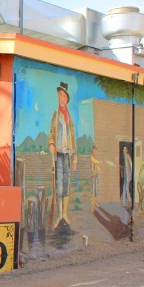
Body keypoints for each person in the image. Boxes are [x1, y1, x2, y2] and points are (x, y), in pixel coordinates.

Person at [48, 81, 77, 233]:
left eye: (63, 95)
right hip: (59, 154)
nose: (61, 97)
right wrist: (51, 143)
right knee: (59, 184)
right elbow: (51, 133)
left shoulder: (69, 118)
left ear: (67, 98)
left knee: (66, 184)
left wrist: (75, 158)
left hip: (68, 154)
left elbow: (73, 138)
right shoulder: (56, 115)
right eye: (59, 94)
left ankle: (65, 213)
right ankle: (59, 215)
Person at [90, 145, 102, 212]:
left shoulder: (95, 157)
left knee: (96, 190)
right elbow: (94, 161)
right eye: (94, 150)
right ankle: (92, 207)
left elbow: (96, 165)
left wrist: (99, 168)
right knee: (93, 190)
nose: (95, 151)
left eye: (95, 150)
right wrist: (99, 162)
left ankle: (96, 202)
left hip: (96, 174)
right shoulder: (91, 157)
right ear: (92, 150)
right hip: (93, 175)